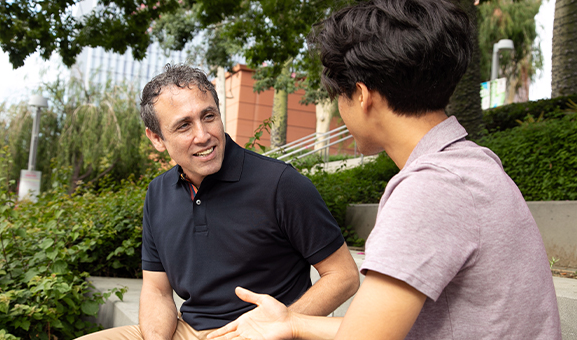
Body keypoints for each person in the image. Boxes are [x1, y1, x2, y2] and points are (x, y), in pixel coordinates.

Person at [206, 1, 563, 339]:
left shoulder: (430, 191)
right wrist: (293, 322)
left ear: (362, 95)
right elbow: (376, 326)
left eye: (337, 97)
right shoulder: (472, 163)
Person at [76, 65, 360, 340]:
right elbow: (157, 291)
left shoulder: (280, 183)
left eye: (208, 116)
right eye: (184, 126)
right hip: (188, 330)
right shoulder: (158, 193)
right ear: (157, 138)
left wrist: (287, 322)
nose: (203, 136)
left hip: (266, 332)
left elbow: (343, 276)